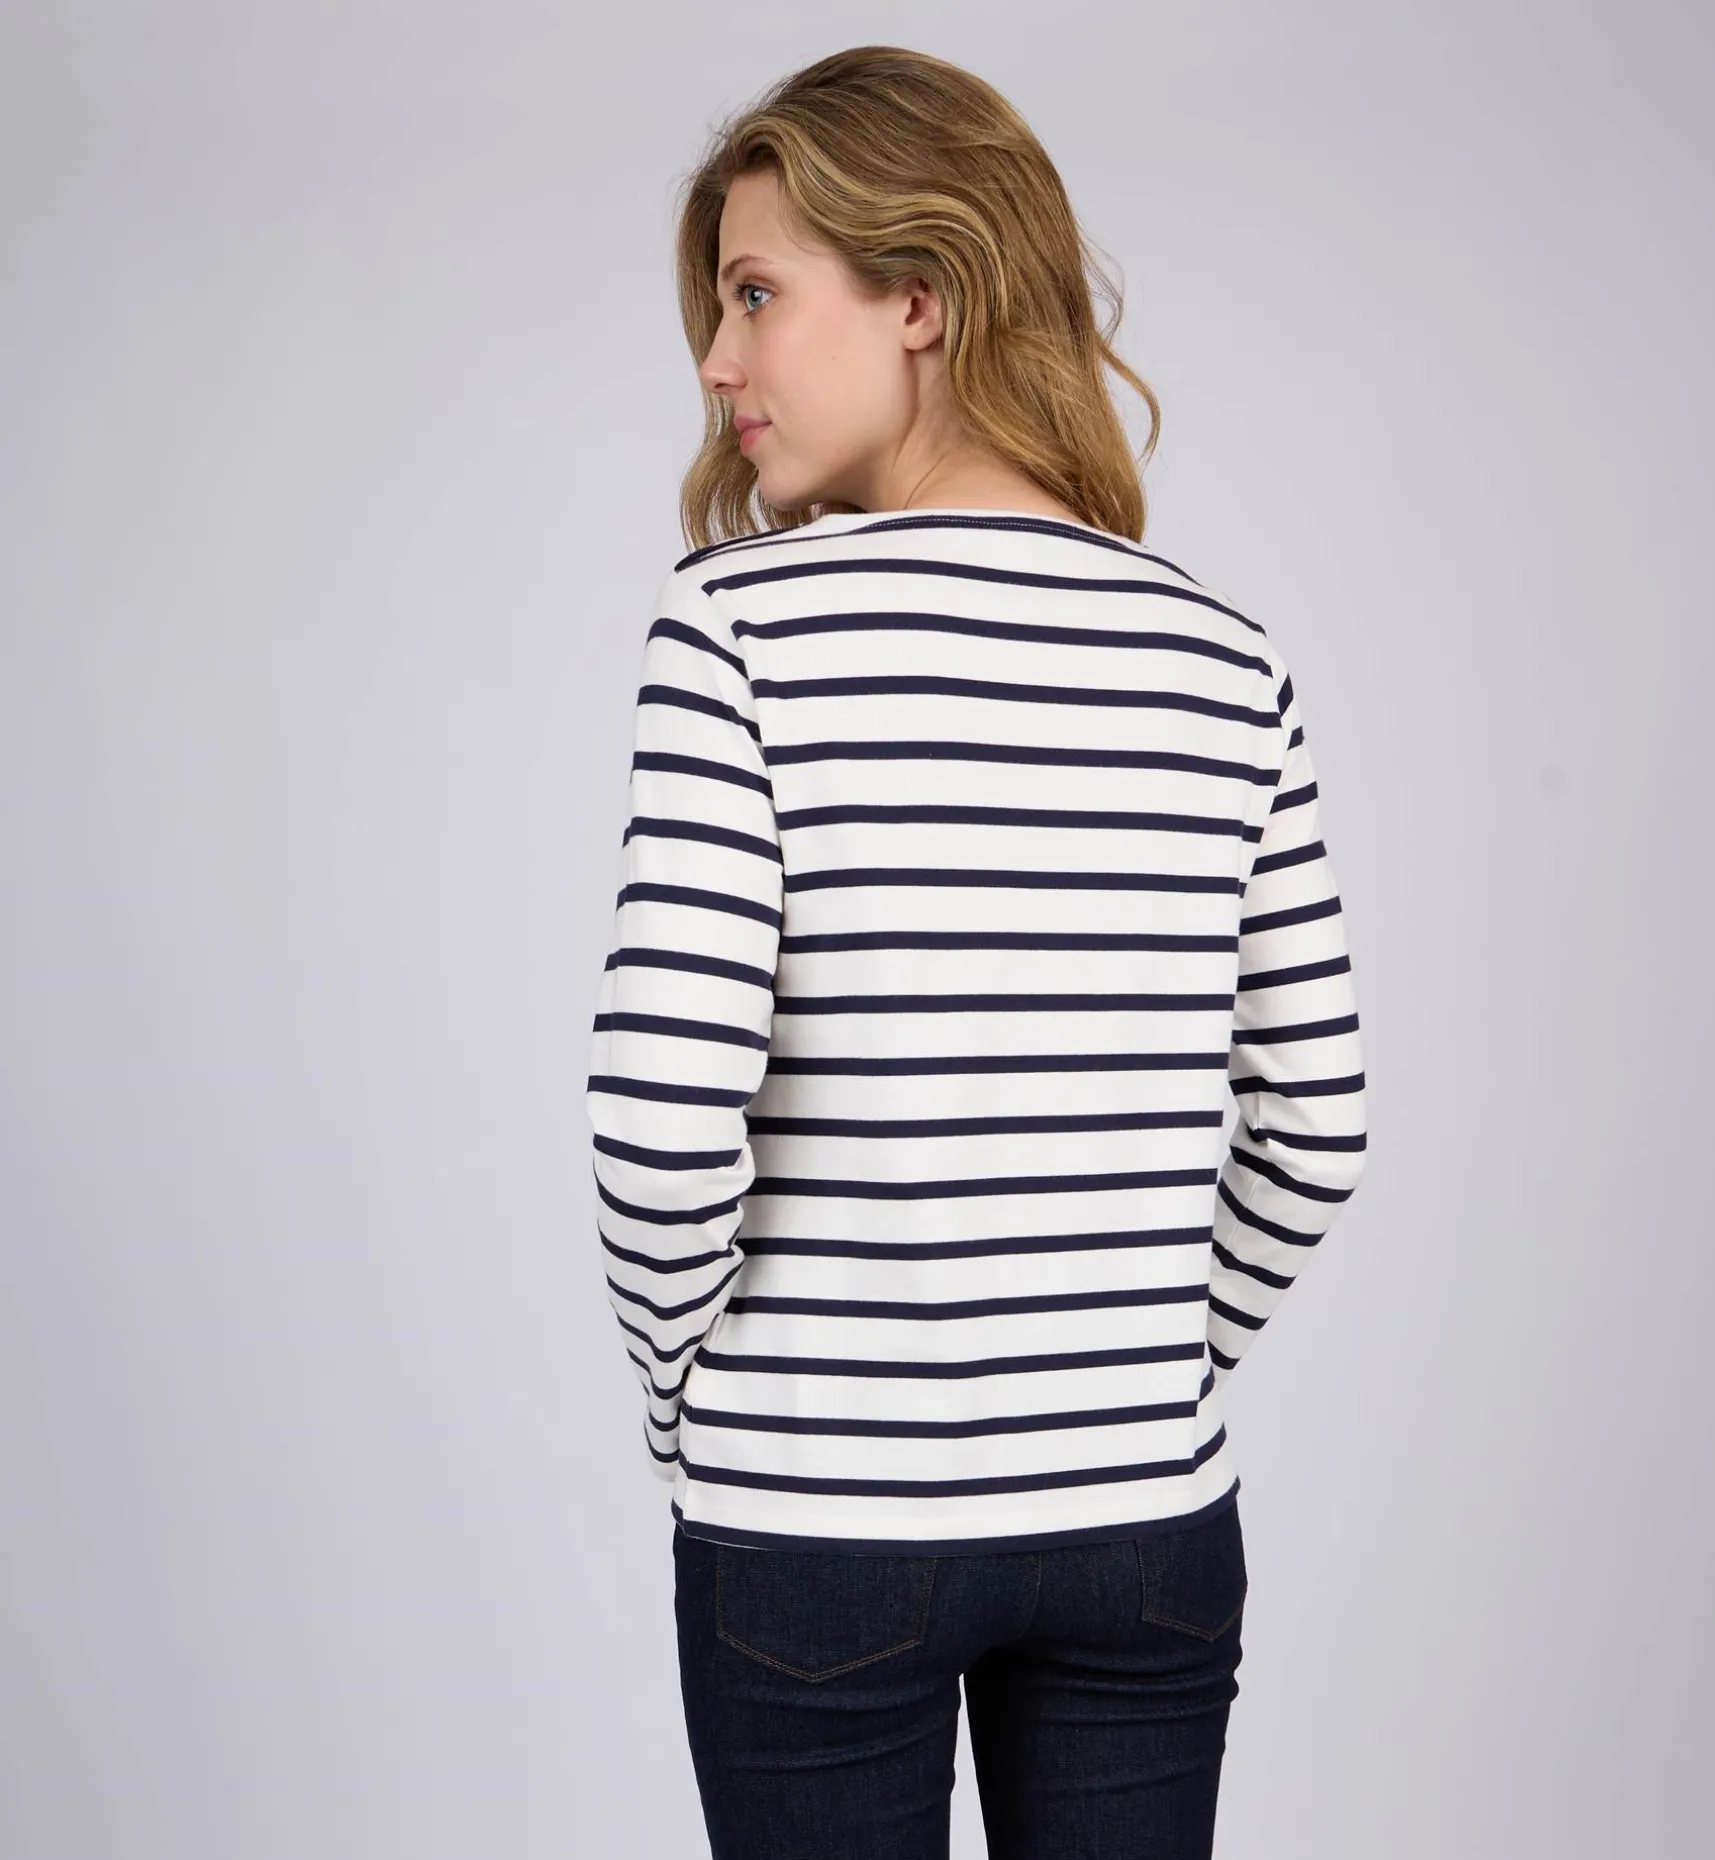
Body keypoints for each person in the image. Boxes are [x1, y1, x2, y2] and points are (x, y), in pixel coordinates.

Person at [585, 43, 1369, 1860]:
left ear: (921, 297)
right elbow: (1318, 1130)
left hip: (817, 1523)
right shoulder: (1226, 655)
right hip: (1143, 1526)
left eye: (756, 294)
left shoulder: (738, 629)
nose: (716, 363)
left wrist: (692, 1403)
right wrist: (1144, 1373)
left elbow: (658, 1130)